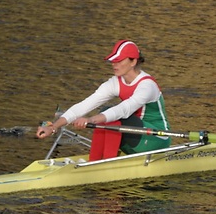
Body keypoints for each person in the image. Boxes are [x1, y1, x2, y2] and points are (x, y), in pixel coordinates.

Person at [36, 40, 171, 161]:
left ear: (133, 62)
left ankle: (105, 161)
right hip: (134, 136)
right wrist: (53, 127)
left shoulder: (147, 86)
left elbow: (124, 109)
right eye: (113, 61)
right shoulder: (114, 83)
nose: (114, 65)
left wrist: (90, 120)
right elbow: (84, 106)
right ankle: (97, 160)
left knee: (110, 114)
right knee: (107, 115)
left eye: (119, 61)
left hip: (156, 138)